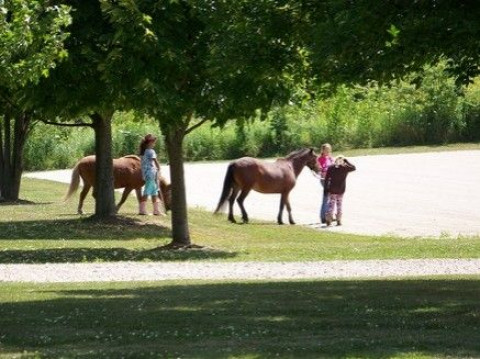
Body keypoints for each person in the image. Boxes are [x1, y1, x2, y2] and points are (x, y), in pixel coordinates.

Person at [324, 155, 356, 226]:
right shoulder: (345, 168)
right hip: (340, 190)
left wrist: (326, 188)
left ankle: (329, 219)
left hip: (332, 189)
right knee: (339, 204)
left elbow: (326, 179)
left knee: (331, 205)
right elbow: (353, 167)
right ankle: (338, 220)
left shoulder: (331, 167)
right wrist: (346, 160)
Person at [139, 134, 163, 215]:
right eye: (153, 142)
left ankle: (156, 210)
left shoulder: (144, 151)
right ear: (149, 143)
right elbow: (155, 161)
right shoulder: (151, 151)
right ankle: (142, 210)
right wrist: (159, 168)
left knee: (154, 192)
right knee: (147, 191)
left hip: (148, 174)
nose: (154, 144)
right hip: (151, 174)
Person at [317, 143, 334, 223]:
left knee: (331, 198)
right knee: (326, 197)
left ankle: (329, 215)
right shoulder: (319, 159)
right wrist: (322, 171)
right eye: (326, 150)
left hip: (332, 179)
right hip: (324, 180)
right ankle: (323, 216)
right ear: (322, 150)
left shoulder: (330, 158)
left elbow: (334, 166)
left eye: (329, 150)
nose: (327, 151)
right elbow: (318, 170)